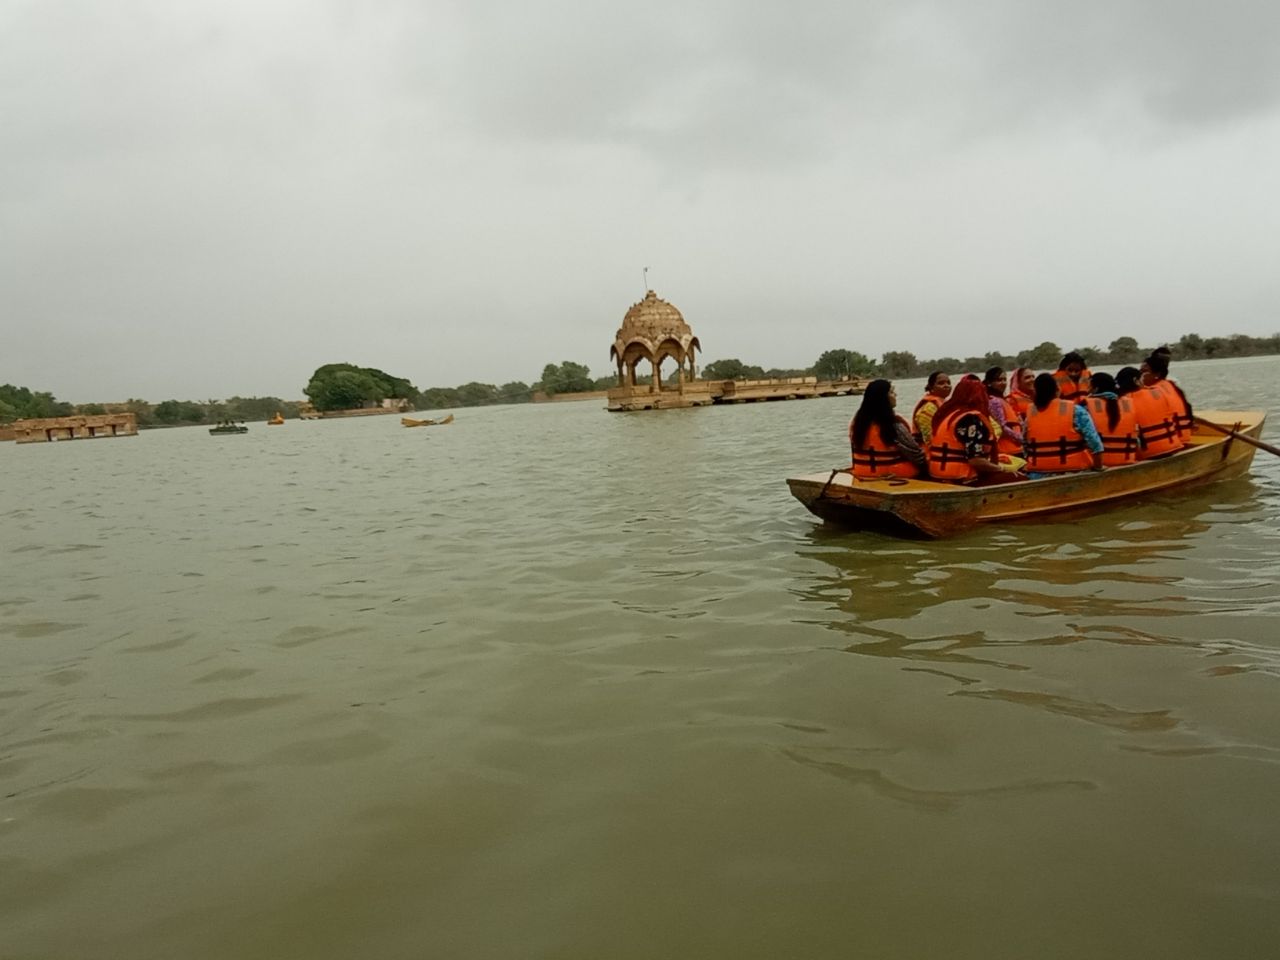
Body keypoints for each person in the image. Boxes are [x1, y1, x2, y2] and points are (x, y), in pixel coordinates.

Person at [927, 378, 1017, 483]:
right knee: (1017, 477)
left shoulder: (950, 415)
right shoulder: (971, 419)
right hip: (961, 479)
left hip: (936, 475)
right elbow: (976, 461)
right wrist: (1003, 469)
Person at [1024, 373, 1104, 477]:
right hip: (1074, 473)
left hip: (1038, 474)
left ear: (1036, 392)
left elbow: (1025, 446)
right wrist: (1098, 467)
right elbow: (1095, 445)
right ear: (1057, 389)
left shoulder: (1030, 415)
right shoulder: (1076, 410)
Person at [848, 379, 925, 479]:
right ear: (883, 398)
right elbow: (917, 456)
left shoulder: (856, 424)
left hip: (862, 474)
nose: (895, 395)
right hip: (893, 476)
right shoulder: (893, 425)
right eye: (892, 392)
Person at [1119, 363, 1181, 458]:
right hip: (1172, 446)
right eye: (1142, 380)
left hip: (1147, 453)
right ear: (1136, 381)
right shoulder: (1158, 392)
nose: (1143, 382)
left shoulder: (1123, 402)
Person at [1085, 372, 1139, 466]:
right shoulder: (1130, 403)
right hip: (1127, 460)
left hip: (1100, 463)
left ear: (1096, 389)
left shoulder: (1085, 406)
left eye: (1089, 386)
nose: (1087, 389)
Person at [1141, 350, 1193, 443]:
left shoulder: (1168, 385)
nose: (1141, 375)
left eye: (1144, 371)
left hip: (1171, 441)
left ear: (1157, 373)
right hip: (1177, 438)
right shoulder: (1170, 384)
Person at [983, 367, 1026, 464]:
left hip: (1015, 447)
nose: (1003, 383)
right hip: (1007, 449)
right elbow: (1001, 427)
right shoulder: (994, 401)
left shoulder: (1001, 399)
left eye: (1004, 379)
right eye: (999, 380)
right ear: (989, 382)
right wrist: (1021, 440)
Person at [912, 372, 952, 446]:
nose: (946, 385)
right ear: (931, 387)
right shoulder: (927, 409)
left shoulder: (945, 404)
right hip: (930, 454)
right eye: (941, 383)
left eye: (948, 383)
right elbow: (928, 439)